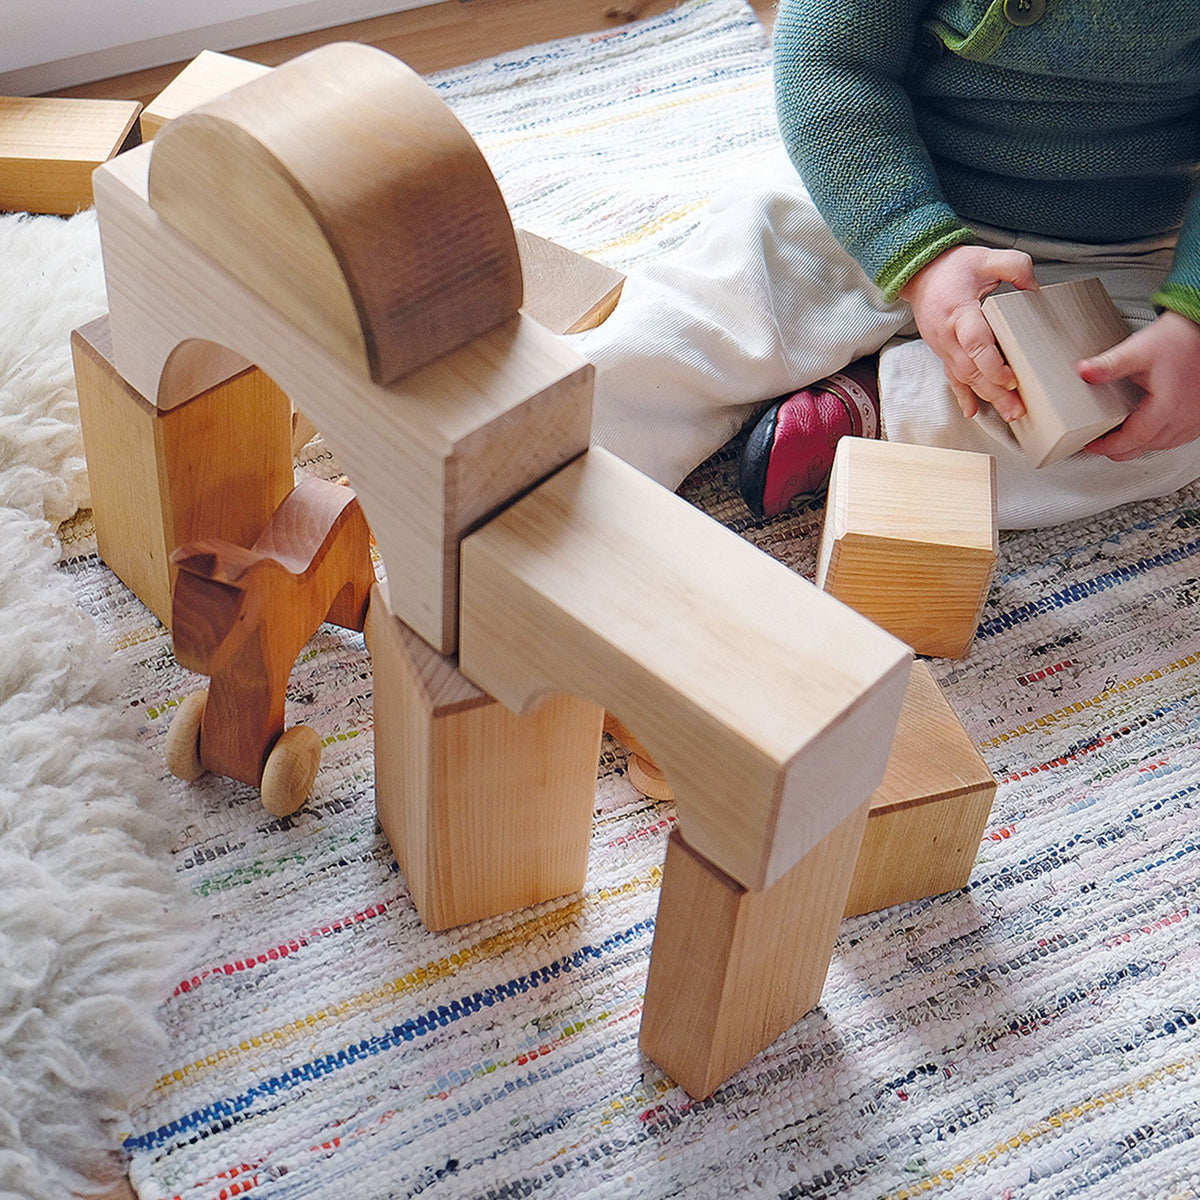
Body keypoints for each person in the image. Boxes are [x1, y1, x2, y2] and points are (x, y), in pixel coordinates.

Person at [572, 0, 1200, 529]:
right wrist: (916, 248)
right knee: (720, 297)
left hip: (1114, 251)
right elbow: (826, 63)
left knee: (1161, 422)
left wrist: (1191, 319)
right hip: (878, 193)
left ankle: (878, 411)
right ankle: (563, 435)